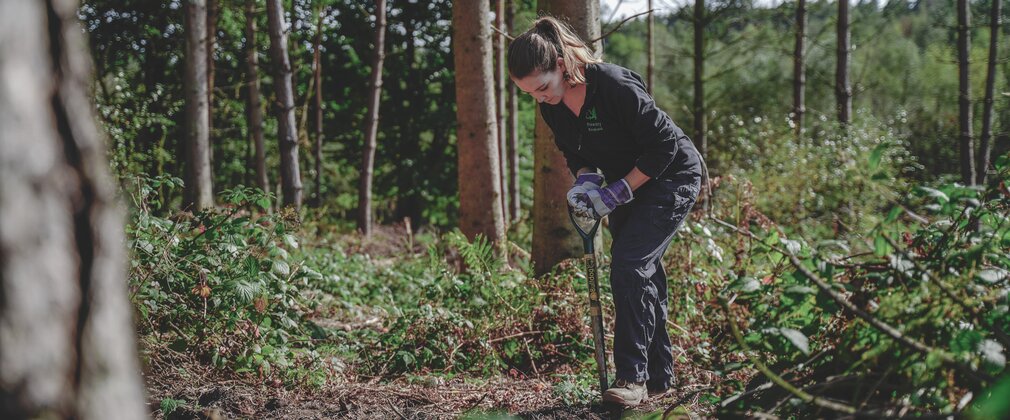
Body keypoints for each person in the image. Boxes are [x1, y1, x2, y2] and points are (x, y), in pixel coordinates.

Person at [507, 16, 704, 406]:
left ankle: (632, 379)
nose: (540, 98)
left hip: (671, 177)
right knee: (642, 276)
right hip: (625, 186)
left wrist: (618, 193)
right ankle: (661, 381)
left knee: (629, 266)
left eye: (543, 87)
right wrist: (585, 182)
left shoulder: (613, 85)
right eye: (530, 93)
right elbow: (575, 154)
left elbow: (663, 146)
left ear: (561, 64)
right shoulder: (554, 108)